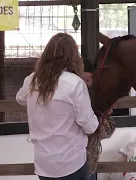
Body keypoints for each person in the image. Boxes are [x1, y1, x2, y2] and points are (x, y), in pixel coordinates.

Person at [15, 33, 99, 180]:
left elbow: (20, 98)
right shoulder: (75, 83)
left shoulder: (31, 80)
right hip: (72, 162)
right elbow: (90, 125)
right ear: (74, 56)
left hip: (43, 163)